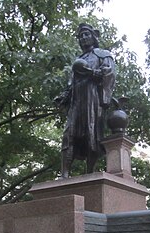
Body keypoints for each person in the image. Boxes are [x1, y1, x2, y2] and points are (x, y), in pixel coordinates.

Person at [55, 23, 116, 178]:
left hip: (93, 99)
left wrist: (99, 75)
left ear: (93, 36)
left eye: (86, 34)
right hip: (77, 100)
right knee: (68, 134)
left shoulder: (102, 55)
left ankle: (90, 171)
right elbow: (71, 84)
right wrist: (64, 96)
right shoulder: (79, 60)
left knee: (92, 133)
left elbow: (110, 75)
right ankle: (64, 173)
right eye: (81, 36)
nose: (83, 38)